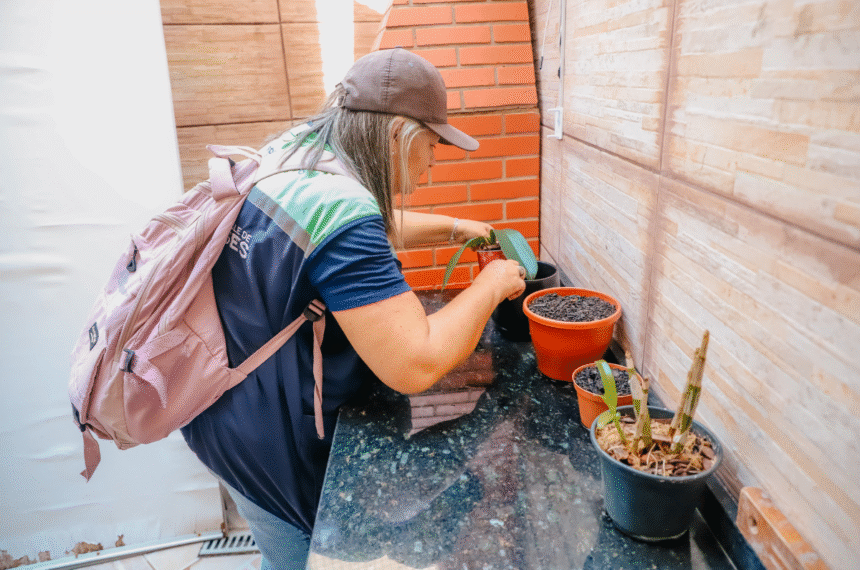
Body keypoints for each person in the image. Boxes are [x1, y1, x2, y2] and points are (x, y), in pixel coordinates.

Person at [180, 48, 526, 569]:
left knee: (274, 546)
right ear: (397, 136)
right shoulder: (344, 212)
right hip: (272, 445)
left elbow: (340, 237)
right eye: (432, 145)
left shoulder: (295, 155)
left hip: (224, 411)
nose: (432, 163)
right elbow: (415, 362)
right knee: (295, 557)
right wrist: (494, 283)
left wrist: (454, 228)